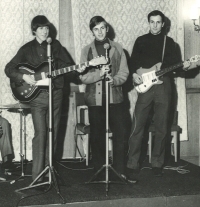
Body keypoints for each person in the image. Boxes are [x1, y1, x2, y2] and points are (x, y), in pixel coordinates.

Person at [4, 15, 85, 184]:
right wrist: (23, 77)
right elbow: (9, 68)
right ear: (34, 30)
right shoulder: (26, 49)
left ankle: (49, 173)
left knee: (53, 133)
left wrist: (79, 70)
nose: (45, 31)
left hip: (56, 94)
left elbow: (67, 68)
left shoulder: (56, 46)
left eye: (46, 28)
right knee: (41, 134)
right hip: (37, 97)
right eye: (41, 28)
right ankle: (37, 177)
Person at [79, 16, 137, 183]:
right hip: (95, 101)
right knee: (97, 136)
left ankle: (120, 171)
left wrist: (115, 80)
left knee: (121, 135)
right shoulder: (86, 51)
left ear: (107, 29)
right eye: (96, 29)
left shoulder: (118, 48)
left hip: (116, 99)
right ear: (92, 31)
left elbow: (124, 72)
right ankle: (99, 171)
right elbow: (82, 76)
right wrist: (99, 74)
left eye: (102, 28)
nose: (100, 32)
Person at [127, 10, 183, 178]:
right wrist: (134, 74)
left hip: (164, 84)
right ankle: (132, 162)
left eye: (158, 22)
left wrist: (185, 65)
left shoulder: (170, 42)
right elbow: (133, 62)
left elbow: (176, 66)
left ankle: (157, 163)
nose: (155, 25)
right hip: (145, 84)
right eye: (152, 22)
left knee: (162, 125)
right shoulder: (141, 40)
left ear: (163, 24)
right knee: (137, 124)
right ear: (148, 22)